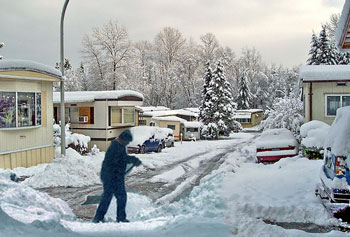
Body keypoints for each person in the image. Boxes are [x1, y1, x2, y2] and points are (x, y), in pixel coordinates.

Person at [92, 129, 142, 223]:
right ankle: (118, 218)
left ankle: (99, 218)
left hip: (115, 176)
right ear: (123, 139)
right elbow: (120, 160)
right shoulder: (115, 147)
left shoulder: (120, 146)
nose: (127, 143)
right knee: (118, 197)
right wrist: (132, 159)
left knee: (109, 197)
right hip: (111, 176)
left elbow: (123, 159)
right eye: (127, 141)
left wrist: (132, 160)